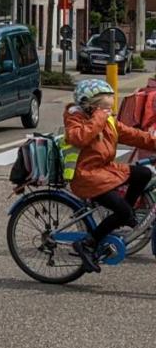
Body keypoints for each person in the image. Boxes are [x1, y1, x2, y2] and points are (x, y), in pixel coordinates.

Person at [64, 79, 156, 273]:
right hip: (87, 177)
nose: (109, 111)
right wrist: (99, 118)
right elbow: (78, 138)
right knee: (122, 212)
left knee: (143, 173)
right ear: (90, 106)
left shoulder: (108, 121)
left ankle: (127, 214)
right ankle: (87, 243)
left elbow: (135, 136)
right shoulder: (75, 118)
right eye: (105, 107)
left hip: (105, 171)